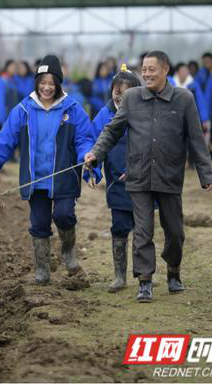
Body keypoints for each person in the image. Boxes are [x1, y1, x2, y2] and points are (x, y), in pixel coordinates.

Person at [84, 50, 212, 303]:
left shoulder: (184, 99)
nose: (146, 74)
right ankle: (144, 281)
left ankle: (174, 271)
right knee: (143, 231)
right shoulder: (132, 98)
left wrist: (205, 173)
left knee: (175, 232)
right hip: (138, 175)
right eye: (143, 69)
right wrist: (95, 154)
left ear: (166, 70)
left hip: (169, 175)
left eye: (151, 69)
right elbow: (112, 131)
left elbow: (197, 139)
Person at [0, 54, 100, 285]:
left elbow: (84, 140)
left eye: (51, 84)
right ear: (36, 83)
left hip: (64, 177)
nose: (47, 88)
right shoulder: (23, 110)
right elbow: (5, 142)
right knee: (39, 224)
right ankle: (42, 268)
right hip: (35, 180)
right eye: (43, 83)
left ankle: (68, 253)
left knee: (64, 215)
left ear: (59, 84)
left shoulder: (73, 109)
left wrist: (87, 161)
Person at [91, 64, 140, 292]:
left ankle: (143, 276)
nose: (120, 97)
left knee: (142, 230)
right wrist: (93, 169)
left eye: (126, 92)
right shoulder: (104, 114)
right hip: (116, 182)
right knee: (119, 227)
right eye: (117, 92)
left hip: (142, 182)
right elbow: (97, 145)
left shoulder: (144, 113)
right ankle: (120, 276)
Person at [0, 59, 19, 129]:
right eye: (12, 67)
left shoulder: (14, 80)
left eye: (15, 67)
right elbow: (0, 101)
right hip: (6, 118)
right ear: (7, 67)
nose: (14, 69)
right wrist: (2, 119)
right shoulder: (2, 81)